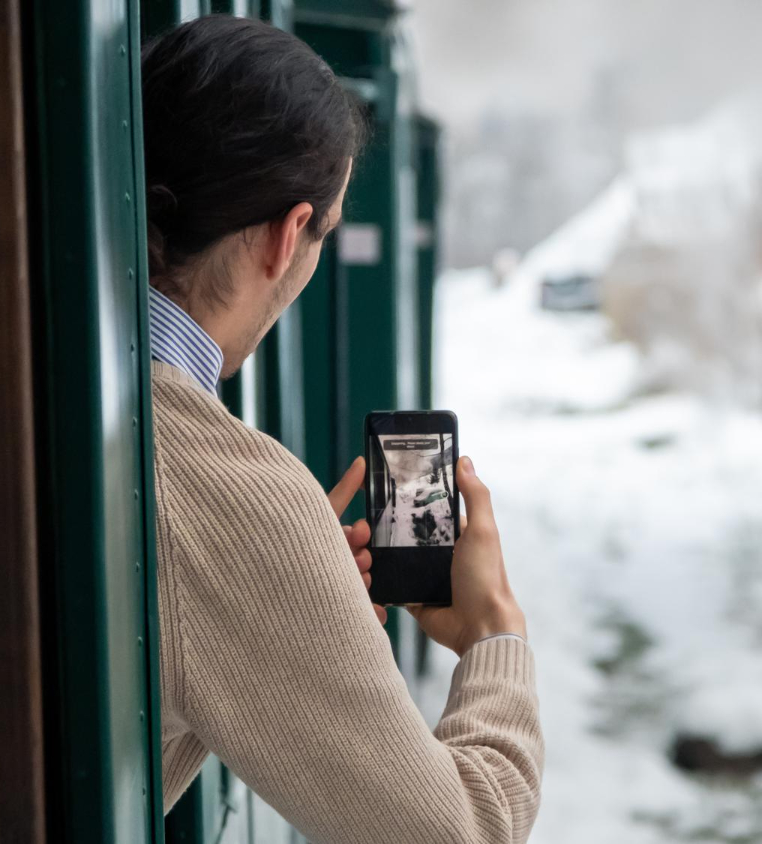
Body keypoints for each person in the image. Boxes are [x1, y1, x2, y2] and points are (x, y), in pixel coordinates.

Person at [140, 15, 542, 844]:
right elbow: (462, 830)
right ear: (289, 238)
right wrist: (497, 635)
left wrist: (266, 604)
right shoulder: (231, 495)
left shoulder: (57, 372)